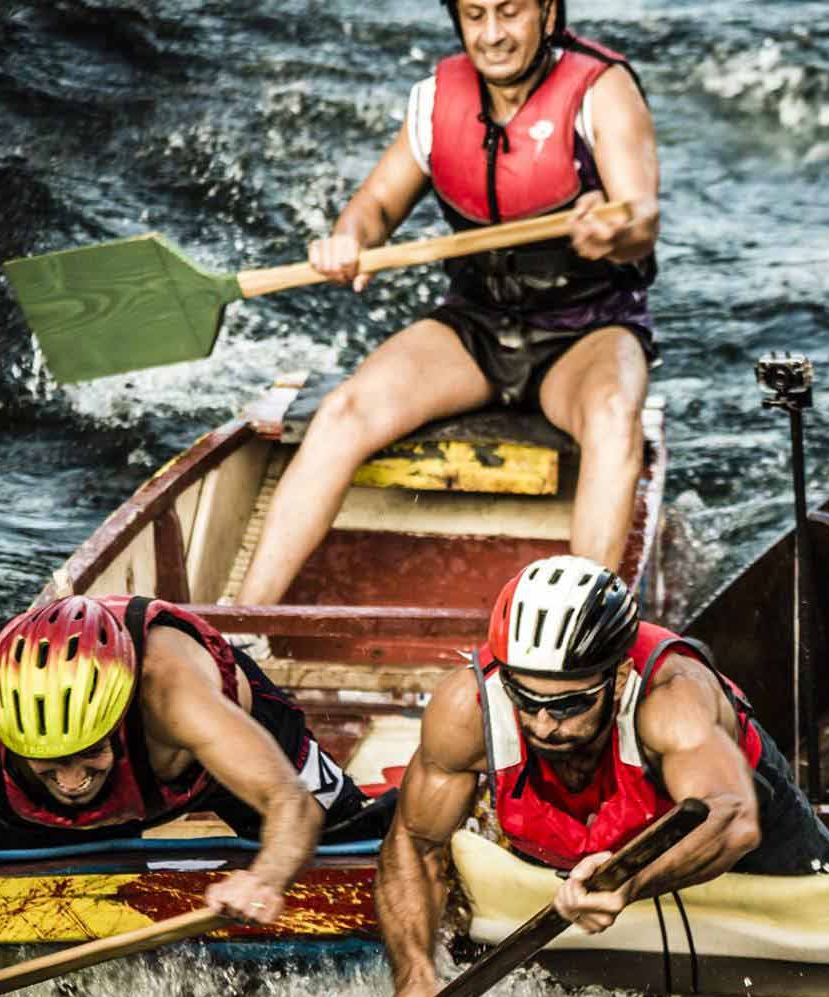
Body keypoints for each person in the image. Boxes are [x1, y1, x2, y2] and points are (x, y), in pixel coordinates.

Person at [234, 0, 660, 606]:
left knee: (616, 414)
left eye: (510, 13)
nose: (493, 35)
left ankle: (584, 636)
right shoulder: (437, 99)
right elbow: (377, 205)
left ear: (547, 11)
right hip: (476, 327)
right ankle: (236, 630)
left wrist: (614, 226)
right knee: (345, 411)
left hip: (587, 330)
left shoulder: (603, 89)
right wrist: (348, 238)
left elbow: (642, 214)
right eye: (475, 15)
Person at [372, 555, 829, 997]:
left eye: (569, 705)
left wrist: (627, 882)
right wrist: (413, 976)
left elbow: (731, 817)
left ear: (619, 678)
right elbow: (414, 842)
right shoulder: (464, 708)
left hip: (734, 827)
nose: (542, 723)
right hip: (578, 847)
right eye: (524, 698)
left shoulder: (672, 694)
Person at [0, 595, 382, 997]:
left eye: (87, 752)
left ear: (121, 718)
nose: (70, 779)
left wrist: (266, 878)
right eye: (48, 760)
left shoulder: (171, 693)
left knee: (359, 846)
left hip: (202, 766)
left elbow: (291, 802)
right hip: (61, 799)